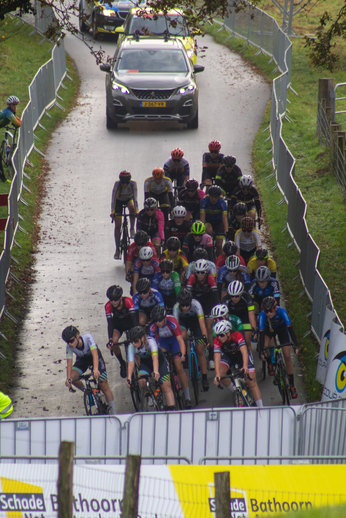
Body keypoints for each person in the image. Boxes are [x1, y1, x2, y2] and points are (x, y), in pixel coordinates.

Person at [62, 325, 116, 415]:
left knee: (104, 385)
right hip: (82, 361)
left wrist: (95, 369)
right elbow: (69, 363)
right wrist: (68, 378)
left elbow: (95, 354)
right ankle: (87, 391)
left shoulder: (88, 337)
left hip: (94, 358)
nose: (70, 344)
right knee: (72, 378)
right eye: (67, 342)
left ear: (77, 336)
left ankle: (114, 414)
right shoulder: (69, 347)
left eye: (71, 341)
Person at [149, 305, 192, 409]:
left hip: (174, 340)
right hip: (163, 342)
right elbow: (153, 345)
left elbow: (180, 340)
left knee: (178, 366)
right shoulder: (152, 327)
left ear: (164, 318)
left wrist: (182, 354)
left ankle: (187, 397)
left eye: (160, 320)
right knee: (161, 359)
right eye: (156, 320)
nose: (158, 323)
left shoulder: (172, 321)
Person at [213, 320, 263, 408]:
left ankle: (261, 407)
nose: (219, 337)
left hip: (241, 355)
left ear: (228, 332)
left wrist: (245, 366)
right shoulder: (217, 340)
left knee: (251, 382)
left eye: (221, 335)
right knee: (221, 375)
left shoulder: (236, 335)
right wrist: (217, 374)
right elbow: (217, 358)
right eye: (217, 335)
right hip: (228, 356)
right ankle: (236, 391)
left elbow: (244, 352)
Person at [126, 326, 176, 411]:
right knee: (141, 381)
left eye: (135, 341)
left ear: (142, 338)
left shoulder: (150, 341)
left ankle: (172, 410)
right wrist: (129, 377)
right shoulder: (131, 346)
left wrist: (156, 371)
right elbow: (131, 362)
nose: (133, 343)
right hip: (146, 364)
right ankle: (148, 395)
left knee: (166, 386)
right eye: (131, 341)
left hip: (160, 362)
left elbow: (155, 358)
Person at [258, 296, 299, 398]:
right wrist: (262, 350)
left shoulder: (282, 312)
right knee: (265, 346)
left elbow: (290, 329)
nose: (269, 314)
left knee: (287, 356)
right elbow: (261, 334)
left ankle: (292, 386)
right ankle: (270, 363)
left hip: (281, 329)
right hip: (268, 329)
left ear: (275, 308)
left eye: (271, 311)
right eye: (266, 311)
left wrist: (295, 345)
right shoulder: (262, 316)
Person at [173, 289, 209, 391]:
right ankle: (185, 355)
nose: (185, 307)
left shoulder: (196, 304)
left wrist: (204, 338)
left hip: (196, 323)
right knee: (182, 335)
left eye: (187, 305)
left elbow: (202, 324)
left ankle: (204, 378)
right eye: (182, 305)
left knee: (200, 349)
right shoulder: (176, 308)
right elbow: (176, 329)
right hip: (183, 323)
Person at [186, 258, 219, 368]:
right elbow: (188, 295)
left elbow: (215, 296)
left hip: (208, 302)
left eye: (202, 273)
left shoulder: (210, 278)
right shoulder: (191, 278)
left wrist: (216, 307)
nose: (200, 275)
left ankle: (211, 356)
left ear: (206, 272)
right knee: (199, 325)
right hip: (196, 302)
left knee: (209, 328)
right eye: (198, 272)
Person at [105, 285, 137, 378]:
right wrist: (110, 339)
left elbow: (134, 318)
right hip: (118, 325)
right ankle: (122, 363)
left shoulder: (127, 301)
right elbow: (110, 324)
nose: (113, 302)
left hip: (130, 323)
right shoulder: (107, 306)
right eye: (111, 300)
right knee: (114, 343)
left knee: (136, 340)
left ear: (120, 297)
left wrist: (136, 332)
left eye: (115, 299)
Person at [222, 280, 257, 353]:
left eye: (236, 296)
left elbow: (251, 316)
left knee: (247, 342)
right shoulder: (225, 299)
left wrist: (254, 329)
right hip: (232, 319)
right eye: (232, 296)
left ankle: (250, 362)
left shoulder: (247, 298)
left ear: (241, 294)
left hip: (244, 318)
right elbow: (224, 317)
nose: (234, 298)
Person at [111, 171, 138, 260]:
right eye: (123, 183)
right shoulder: (117, 184)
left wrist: (137, 210)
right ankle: (117, 249)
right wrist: (113, 211)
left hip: (128, 199)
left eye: (127, 183)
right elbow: (113, 198)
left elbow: (135, 198)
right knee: (118, 226)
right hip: (118, 202)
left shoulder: (133, 184)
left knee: (132, 208)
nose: (125, 185)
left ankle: (132, 229)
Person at [200, 185, 228, 257]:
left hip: (219, 222)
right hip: (208, 221)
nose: (213, 199)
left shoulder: (222, 203)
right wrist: (202, 229)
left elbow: (224, 218)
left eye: (216, 197)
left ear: (219, 196)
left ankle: (221, 260)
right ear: (209, 195)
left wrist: (226, 230)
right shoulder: (204, 201)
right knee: (208, 229)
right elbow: (202, 216)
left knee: (218, 245)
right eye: (212, 197)